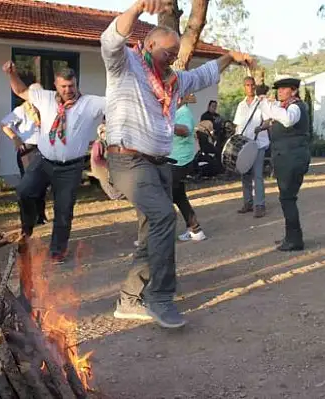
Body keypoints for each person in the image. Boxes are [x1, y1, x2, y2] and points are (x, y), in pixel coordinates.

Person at [101, 0, 255, 328]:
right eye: (166, 53)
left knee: (152, 230)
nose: (171, 59)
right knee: (164, 219)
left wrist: (231, 57)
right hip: (128, 160)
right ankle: (159, 298)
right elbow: (110, 39)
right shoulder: (124, 64)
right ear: (148, 45)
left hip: (159, 163)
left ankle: (129, 299)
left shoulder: (174, 81)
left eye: (175, 55)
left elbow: (203, 75)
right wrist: (137, 8)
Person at [3, 62, 105, 264]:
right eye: (63, 86)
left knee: (64, 210)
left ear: (76, 84)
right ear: (56, 86)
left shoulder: (90, 103)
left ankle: (57, 252)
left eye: (71, 86)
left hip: (70, 167)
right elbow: (21, 90)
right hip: (43, 161)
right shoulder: (45, 97)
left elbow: (119, 104)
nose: (68, 90)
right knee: (24, 190)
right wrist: (12, 73)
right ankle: (27, 229)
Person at [256, 78, 311, 252]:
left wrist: (267, 104)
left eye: (283, 89)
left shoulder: (295, 107)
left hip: (292, 158)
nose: (279, 92)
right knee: (287, 198)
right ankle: (291, 236)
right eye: (278, 89)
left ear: (293, 91)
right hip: (286, 157)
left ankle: (295, 240)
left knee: (288, 198)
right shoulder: (284, 107)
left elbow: (287, 120)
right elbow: (276, 119)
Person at [1, 84, 48, 224]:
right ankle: (29, 217)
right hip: (28, 150)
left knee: (42, 184)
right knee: (29, 184)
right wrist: (15, 138)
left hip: (44, 148)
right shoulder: (22, 110)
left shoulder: (46, 110)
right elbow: (4, 125)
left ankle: (40, 216)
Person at [170, 94, 206, 241]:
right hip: (174, 160)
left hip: (179, 161)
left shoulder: (184, 112)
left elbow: (185, 130)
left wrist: (164, 125)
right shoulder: (174, 112)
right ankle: (196, 230)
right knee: (178, 196)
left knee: (164, 196)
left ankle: (155, 236)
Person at [233, 76, 269, 218]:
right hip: (244, 145)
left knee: (258, 175)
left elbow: (267, 121)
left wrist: (260, 128)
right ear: (244, 87)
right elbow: (238, 125)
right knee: (245, 175)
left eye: (252, 85)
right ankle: (248, 202)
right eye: (247, 85)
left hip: (258, 144)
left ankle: (259, 205)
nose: (250, 87)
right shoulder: (241, 105)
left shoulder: (262, 103)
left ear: (255, 86)